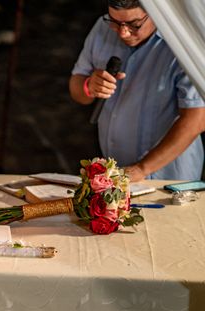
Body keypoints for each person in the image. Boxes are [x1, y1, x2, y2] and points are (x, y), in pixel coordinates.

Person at [69, 0, 205, 182]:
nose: (123, 33)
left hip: (168, 176)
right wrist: (89, 87)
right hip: (116, 170)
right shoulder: (101, 28)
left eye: (134, 25)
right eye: (115, 22)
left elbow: (197, 119)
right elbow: (77, 89)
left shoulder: (183, 43)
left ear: (156, 12)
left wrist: (142, 169)